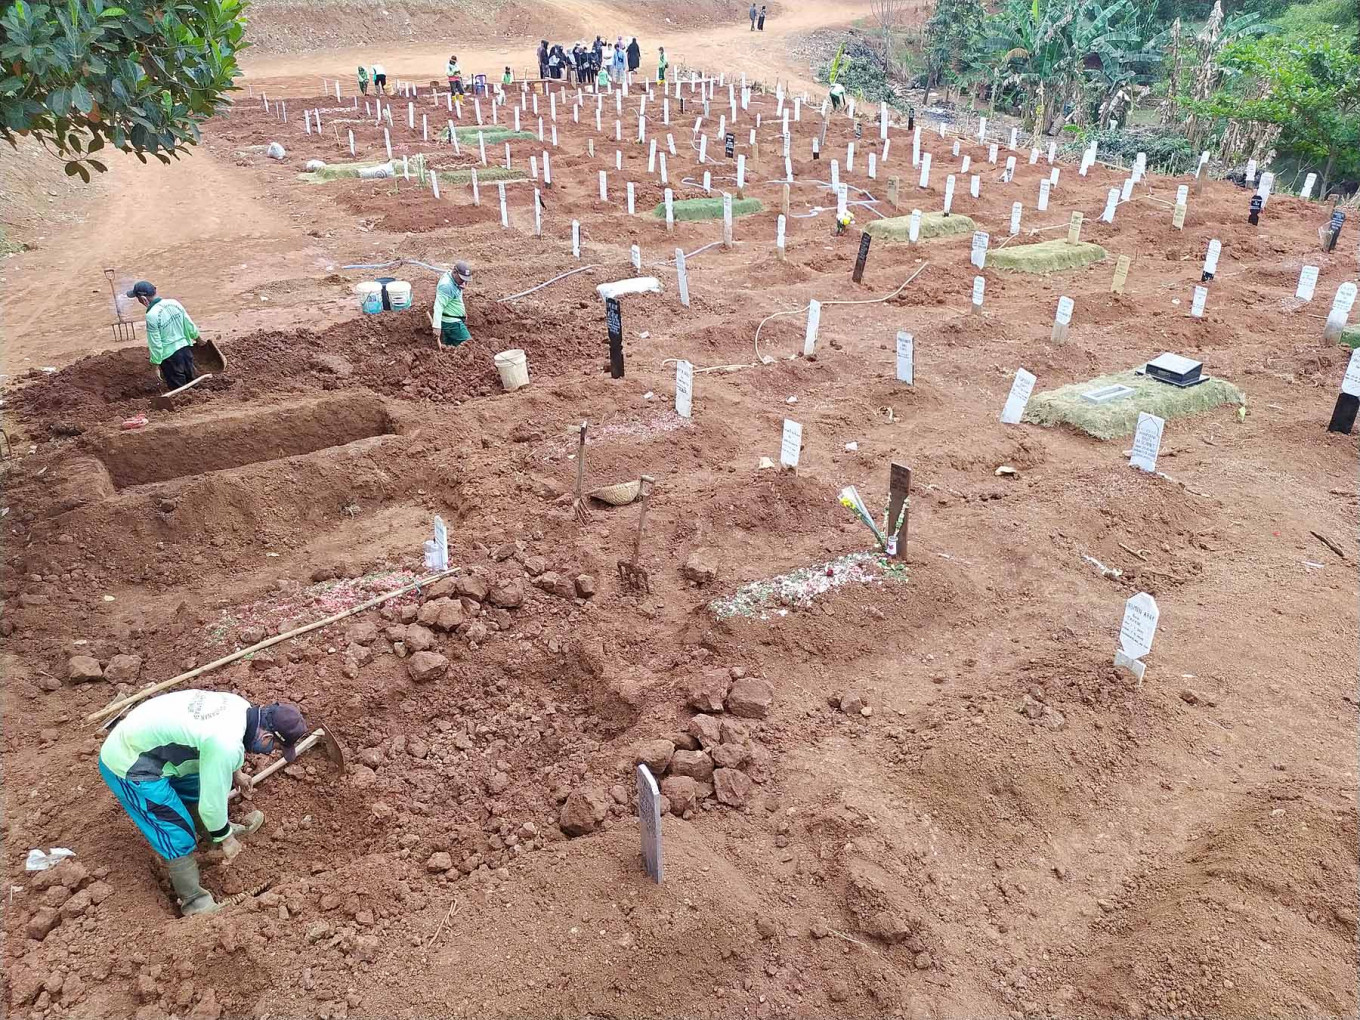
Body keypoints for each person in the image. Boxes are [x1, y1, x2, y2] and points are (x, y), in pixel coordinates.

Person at [99, 690, 308, 916]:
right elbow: (212, 803)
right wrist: (227, 840)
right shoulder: (224, 744)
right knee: (174, 829)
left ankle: (213, 832)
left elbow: (221, 744)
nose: (270, 751)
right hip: (130, 764)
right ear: (267, 738)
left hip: (159, 747)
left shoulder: (241, 707)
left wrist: (236, 772)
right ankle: (195, 903)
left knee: (196, 787)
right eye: (275, 747)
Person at [126, 280, 200, 391]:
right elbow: (189, 325)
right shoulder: (174, 303)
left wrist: (155, 365)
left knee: (179, 392)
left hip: (170, 358)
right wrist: (199, 340)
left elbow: (155, 343)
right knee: (193, 384)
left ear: (142, 298)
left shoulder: (151, 315)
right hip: (186, 351)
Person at [432, 261, 473, 347]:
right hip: (452, 323)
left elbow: (455, 297)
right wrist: (436, 326)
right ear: (454, 272)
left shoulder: (455, 280)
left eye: (465, 280)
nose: (464, 282)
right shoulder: (446, 285)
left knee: (451, 349)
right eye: (462, 279)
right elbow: (438, 306)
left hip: (453, 321)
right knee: (469, 346)